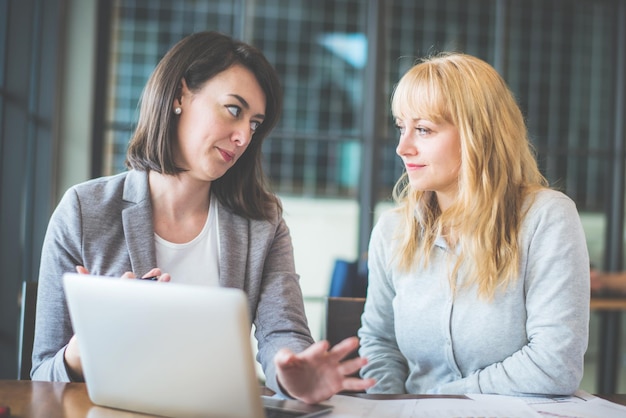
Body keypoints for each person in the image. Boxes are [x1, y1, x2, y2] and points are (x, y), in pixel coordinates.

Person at [31, 31, 374, 404]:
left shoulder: (262, 221)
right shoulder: (84, 210)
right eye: (233, 110)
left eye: (255, 124)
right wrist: (81, 352)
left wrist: (291, 371)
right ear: (180, 96)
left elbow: (282, 332)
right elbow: (41, 377)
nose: (244, 135)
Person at [358, 52, 590, 396]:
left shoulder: (546, 217)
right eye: (400, 127)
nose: (402, 147)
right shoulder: (392, 231)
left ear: (477, 135)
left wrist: (434, 401)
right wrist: (390, 407)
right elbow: (379, 345)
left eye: (423, 129)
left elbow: (555, 365)